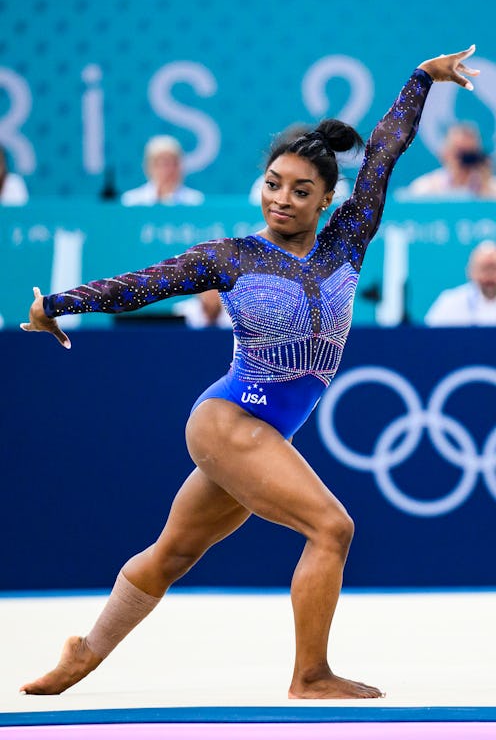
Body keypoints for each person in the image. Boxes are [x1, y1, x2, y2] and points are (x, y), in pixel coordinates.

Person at [20, 46, 478, 700]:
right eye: (273, 184)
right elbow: (144, 285)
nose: (282, 199)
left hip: (265, 431)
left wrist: (422, 79)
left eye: (300, 190)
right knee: (333, 527)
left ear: (326, 199)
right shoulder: (231, 256)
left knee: (173, 553)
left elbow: (382, 153)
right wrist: (57, 306)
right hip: (229, 419)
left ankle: (84, 653)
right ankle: (310, 675)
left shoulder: (349, 240)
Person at [249, 123, 352, 206]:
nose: (282, 202)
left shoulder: (337, 186)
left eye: (301, 192)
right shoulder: (261, 184)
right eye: (273, 185)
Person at [397, 121, 496, 200]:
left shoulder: (490, 187)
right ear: (445, 153)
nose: (463, 159)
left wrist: (485, 187)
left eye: (468, 153)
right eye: (459, 152)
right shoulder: (427, 188)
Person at [425, 239, 496, 326]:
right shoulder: (449, 302)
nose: (489, 275)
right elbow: (428, 336)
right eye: (484, 269)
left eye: (494, 269)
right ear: (471, 272)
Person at [121, 135, 204, 206]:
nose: (170, 170)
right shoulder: (132, 201)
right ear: (150, 166)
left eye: (175, 163)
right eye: (165, 164)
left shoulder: (195, 201)